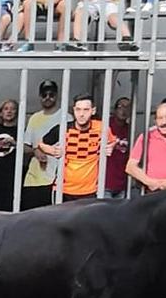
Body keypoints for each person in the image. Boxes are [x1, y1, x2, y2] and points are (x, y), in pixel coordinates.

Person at [20, 80, 62, 212]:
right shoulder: (34, 118)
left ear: (57, 95)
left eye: (51, 94)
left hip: (55, 178)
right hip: (33, 179)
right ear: (40, 96)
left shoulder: (66, 118)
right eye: (44, 94)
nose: (48, 97)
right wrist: (35, 152)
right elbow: (25, 146)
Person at [58, 94, 107, 205]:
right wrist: (51, 150)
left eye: (86, 110)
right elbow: (40, 143)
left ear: (93, 111)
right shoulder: (64, 128)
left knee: (86, 222)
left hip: (90, 190)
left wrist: (110, 147)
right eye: (78, 109)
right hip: (64, 189)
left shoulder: (101, 127)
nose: (81, 114)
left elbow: (112, 141)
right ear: (73, 110)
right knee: (63, 222)